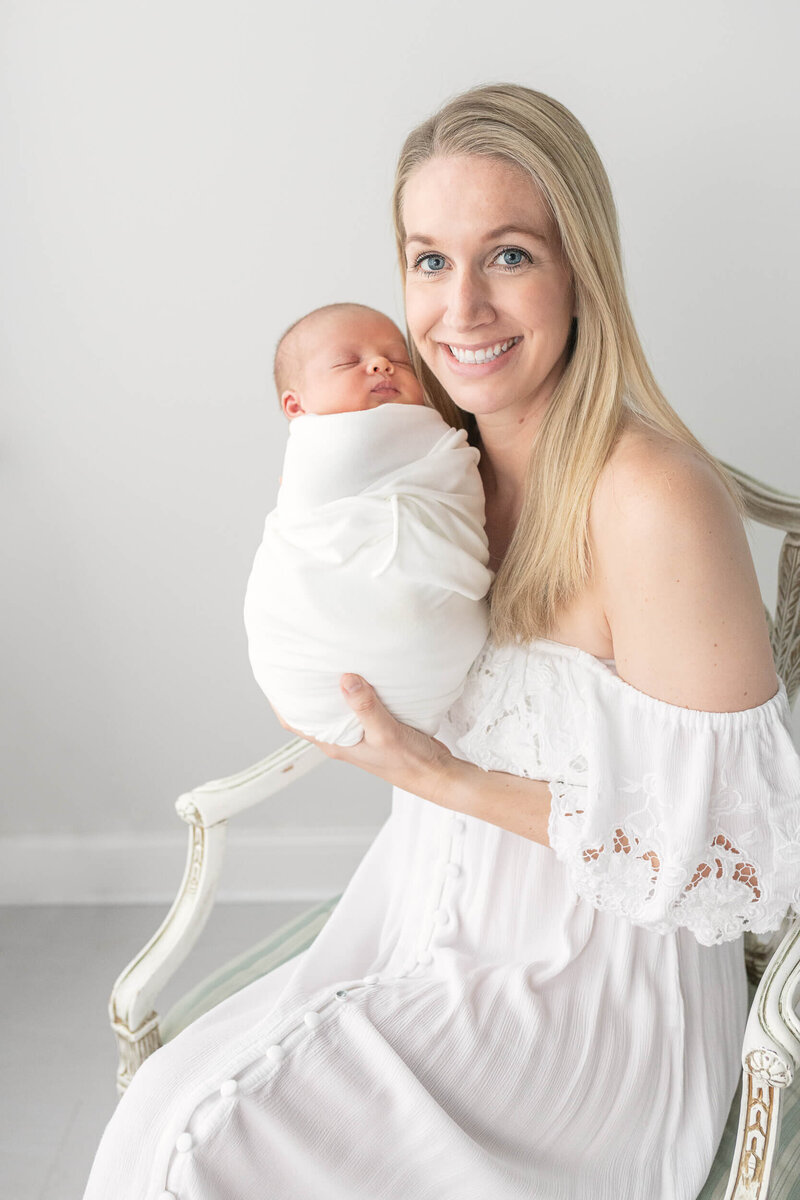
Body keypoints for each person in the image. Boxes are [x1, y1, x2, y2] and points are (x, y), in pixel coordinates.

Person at [82, 83, 800, 1200]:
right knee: (161, 1126)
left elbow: (739, 864)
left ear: (579, 274)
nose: (458, 307)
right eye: (428, 260)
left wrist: (436, 777)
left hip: (590, 1004)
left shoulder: (648, 497)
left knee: (210, 1151)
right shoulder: (424, 479)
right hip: (408, 925)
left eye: (507, 256)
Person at [243, 302, 493, 747]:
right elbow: (351, 454)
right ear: (295, 406)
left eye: (397, 359)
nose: (381, 365)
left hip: (431, 670)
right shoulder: (324, 447)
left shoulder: (429, 435)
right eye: (347, 362)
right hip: (311, 657)